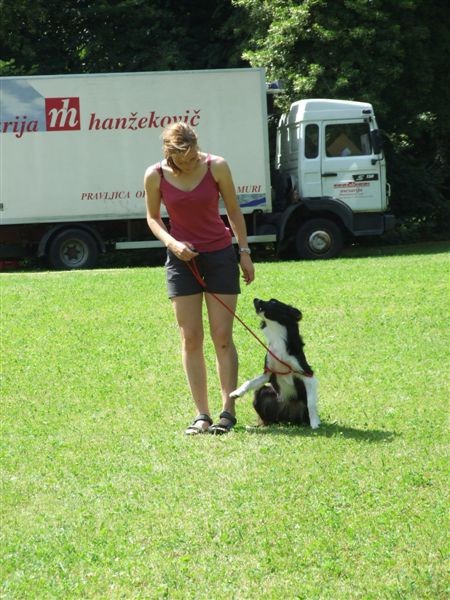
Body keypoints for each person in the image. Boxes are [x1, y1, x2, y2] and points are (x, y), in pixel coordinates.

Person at [144, 122, 255, 435]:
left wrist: (243, 251)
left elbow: (233, 209)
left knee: (222, 336)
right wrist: (173, 244)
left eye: (193, 157)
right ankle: (202, 414)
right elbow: (152, 217)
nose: (190, 163)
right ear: (170, 154)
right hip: (181, 261)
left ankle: (227, 412)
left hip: (220, 256)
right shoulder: (155, 175)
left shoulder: (216, 166)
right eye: (183, 160)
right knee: (190, 337)